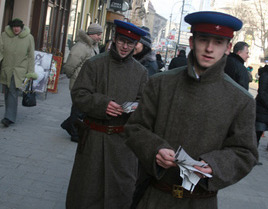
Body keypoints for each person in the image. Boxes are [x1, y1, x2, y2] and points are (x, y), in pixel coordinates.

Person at [124, 11, 258, 209]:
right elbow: (135, 128)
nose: (210, 48)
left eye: (219, 42)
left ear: (228, 48)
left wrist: (214, 165)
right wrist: (155, 149)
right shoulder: (161, 83)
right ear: (192, 41)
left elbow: (246, 153)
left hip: (201, 202)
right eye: (203, 39)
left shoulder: (241, 99)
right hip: (155, 197)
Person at [66, 20, 148, 209]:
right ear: (114, 39)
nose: (125, 47)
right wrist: (102, 104)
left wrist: (135, 108)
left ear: (136, 46)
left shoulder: (141, 72)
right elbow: (79, 94)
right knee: (87, 192)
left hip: (123, 144)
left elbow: (144, 104)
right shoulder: (94, 64)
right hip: (94, 139)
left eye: (130, 43)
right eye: (122, 41)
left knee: (121, 193)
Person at [61, 23, 103, 142]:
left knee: (80, 108)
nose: (100, 37)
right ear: (92, 34)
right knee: (78, 108)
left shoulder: (93, 46)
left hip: (87, 83)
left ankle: (68, 125)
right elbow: (70, 65)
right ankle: (74, 133)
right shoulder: (81, 46)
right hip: (78, 82)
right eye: (98, 34)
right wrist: (71, 76)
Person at [0, 18, 37, 127]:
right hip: (6, 68)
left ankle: (9, 118)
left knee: (12, 91)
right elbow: (1, 50)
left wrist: (31, 72)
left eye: (18, 27)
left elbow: (31, 56)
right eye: (14, 27)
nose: (16, 29)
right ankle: (9, 114)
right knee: (7, 92)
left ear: (21, 27)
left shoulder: (29, 38)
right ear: (11, 27)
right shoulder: (4, 36)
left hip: (19, 70)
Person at [255, 65, 268, 148]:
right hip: (262, 110)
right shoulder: (265, 75)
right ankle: (252, 157)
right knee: (257, 134)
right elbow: (262, 93)